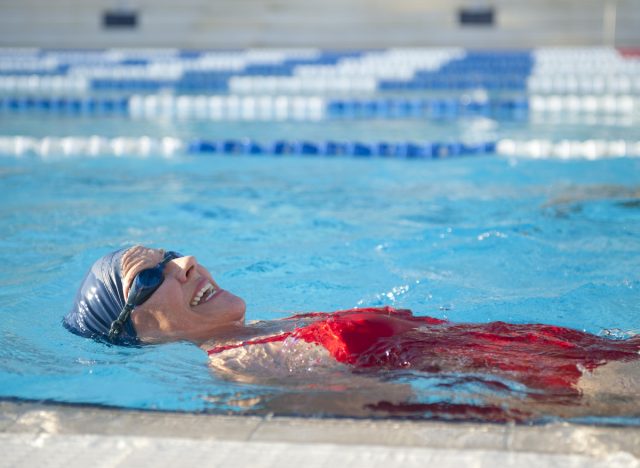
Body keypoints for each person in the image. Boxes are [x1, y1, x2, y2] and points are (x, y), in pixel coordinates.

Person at [64, 245, 640, 421]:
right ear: (136, 329)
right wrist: (564, 400)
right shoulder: (244, 365)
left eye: (169, 253)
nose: (184, 262)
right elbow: (407, 412)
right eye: (149, 276)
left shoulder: (273, 332)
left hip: (577, 348)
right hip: (574, 380)